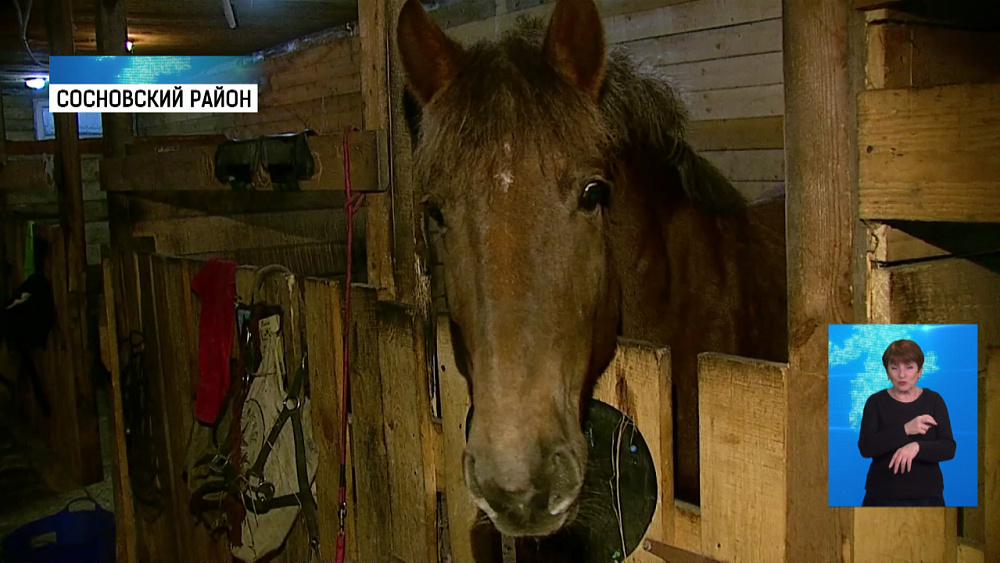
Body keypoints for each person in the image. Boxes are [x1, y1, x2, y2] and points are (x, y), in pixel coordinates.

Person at [857, 339, 956, 506]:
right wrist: (906, 430)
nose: (901, 375)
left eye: (909, 367)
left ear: (920, 371)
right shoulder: (875, 402)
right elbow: (866, 447)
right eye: (894, 368)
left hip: (928, 496)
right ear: (887, 372)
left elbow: (949, 448)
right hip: (882, 495)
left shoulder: (934, 400)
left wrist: (916, 447)